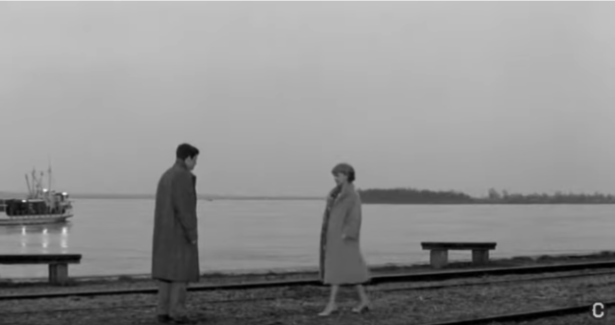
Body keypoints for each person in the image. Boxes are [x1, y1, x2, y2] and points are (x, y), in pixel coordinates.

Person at [152, 143, 201, 324]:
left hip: (164, 234)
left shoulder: (166, 176)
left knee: (166, 275)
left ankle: (163, 311)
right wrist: (192, 234)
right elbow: (185, 209)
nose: (195, 164)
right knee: (180, 276)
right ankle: (177, 312)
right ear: (188, 158)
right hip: (178, 234)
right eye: (195, 160)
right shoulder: (183, 176)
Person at [318, 162, 371, 316]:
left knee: (336, 269)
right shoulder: (336, 193)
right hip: (334, 236)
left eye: (338, 175)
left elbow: (355, 216)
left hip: (344, 238)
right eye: (334, 175)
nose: (335, 178)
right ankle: (364, 301)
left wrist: (348, 233)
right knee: (350, 269)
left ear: (347, 175)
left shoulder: (352, 195)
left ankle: (332, 304)